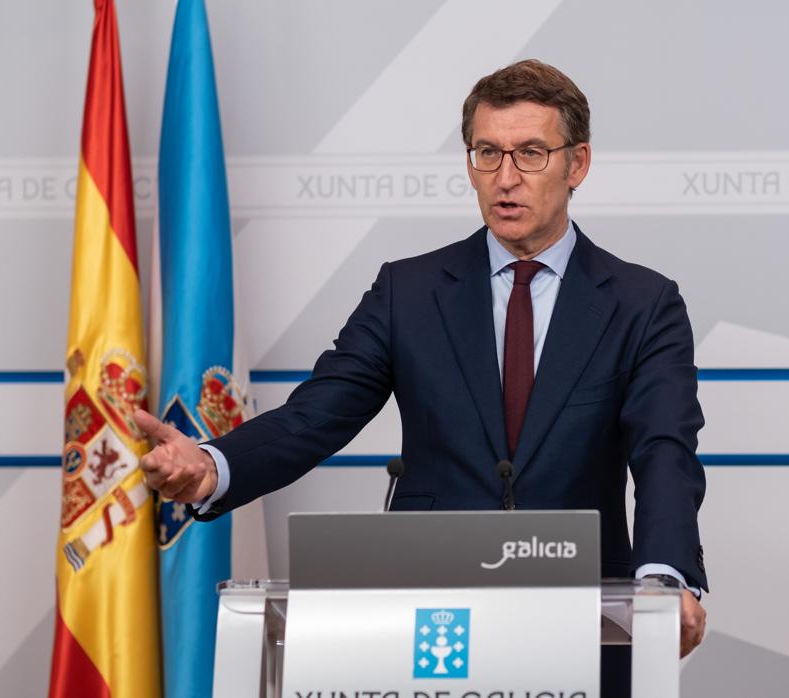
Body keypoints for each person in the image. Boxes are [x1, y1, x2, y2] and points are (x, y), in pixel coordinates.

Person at [135, 59, 707, 693]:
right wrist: (214, 466)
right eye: (487, 153)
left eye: (531, 154)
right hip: (429, 621)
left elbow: (664, 452)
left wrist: (664, 582)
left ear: (577, 164)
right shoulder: (406, 292)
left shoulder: (641, 302)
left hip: (585, 615)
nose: (505, 178)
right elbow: (315, 416)